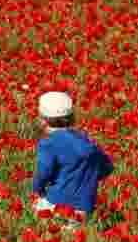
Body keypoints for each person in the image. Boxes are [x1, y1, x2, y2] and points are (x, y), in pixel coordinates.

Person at [31, 91, 113, 229]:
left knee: (36, 211)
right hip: (84, 208)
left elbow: (43, 173)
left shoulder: (48, 144)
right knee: (73, 235)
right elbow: (107, 168)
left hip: (56, 205)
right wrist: (88, 180)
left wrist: (38, 189)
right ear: (72, 117)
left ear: (43, 120)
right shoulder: (88, 142)